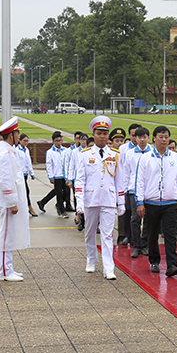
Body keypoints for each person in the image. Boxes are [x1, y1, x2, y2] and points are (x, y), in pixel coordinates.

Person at [74, 116, 126, 280]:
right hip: (91, 198)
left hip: (108, 199)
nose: (102, 136)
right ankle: (91, 259)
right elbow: (80, 179)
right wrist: (79, 201)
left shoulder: (115, 154)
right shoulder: (84, 154)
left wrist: (121, 202)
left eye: (105, 133)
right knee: (90, 232)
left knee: (107, 234)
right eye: (99, 133)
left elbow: (120, 180)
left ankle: (109, 267)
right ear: (93, 135)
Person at [0, 117, 30, 281]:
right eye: (17, 133)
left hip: (9, 200)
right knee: (6, 235)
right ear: (12, 135)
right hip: (8, 201)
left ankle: (8, 268)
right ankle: (4, 271)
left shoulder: (7, 152)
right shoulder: (6, 154)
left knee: (9, 234)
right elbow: (5, 180)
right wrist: (12, 203)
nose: (19, 136)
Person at [135, 125, 177, 277]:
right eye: (161, 137)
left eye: (166, 137)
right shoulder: (146, 158)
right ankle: (154, 261)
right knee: (152, 233)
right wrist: (140, 202)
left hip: (170, 202)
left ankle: (171, 264)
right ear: (154, 139)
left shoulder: (175, 158)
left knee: (170, 234)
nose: (164, 140)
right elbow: (140, 181)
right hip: (151, 202)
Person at [123, 126, 151, 258]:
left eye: (144, 137)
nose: (142, 140)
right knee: (135, 219)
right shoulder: (130, 154)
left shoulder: (153, 152)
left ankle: (145, 245)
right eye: (139, 137)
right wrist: (124, 192)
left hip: (149, 190)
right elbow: (126, 174)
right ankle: (136, 245)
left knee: (148, 219)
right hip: (134, 190)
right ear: (135, 138)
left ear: (148, 138)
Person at [37, 131, 70, 218]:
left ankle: (44, 202)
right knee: (59, 193)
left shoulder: (65, 151)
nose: (58, 143)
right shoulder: (50, 152)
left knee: (66, 193)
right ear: (53, 141)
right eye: (56, 141)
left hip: (65, 175)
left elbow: (68, 163)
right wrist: (51, 177)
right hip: (57, 176)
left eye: (60, 140)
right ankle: (62, 211)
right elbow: (49, 165)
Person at [16, 134, 38, 217]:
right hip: (19, 174)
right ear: (20, 141)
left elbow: (28, 162)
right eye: (24, 141)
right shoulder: (16, 150)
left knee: (22, 192)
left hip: (25, 174)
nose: (26, 143)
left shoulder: (26, 150)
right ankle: (30, 208)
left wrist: (31, 173)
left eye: (27, 141)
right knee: (25, 191)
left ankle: (25, 208)